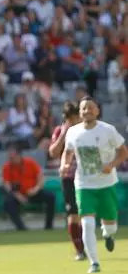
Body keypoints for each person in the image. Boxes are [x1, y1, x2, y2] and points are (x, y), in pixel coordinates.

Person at [61, 96, 128, 273]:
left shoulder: (108, 130)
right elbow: (67, 152)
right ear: (80, 112)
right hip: (84, 185)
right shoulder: (73, 132)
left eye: (90, 108)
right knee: (88, 224)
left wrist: (111, 165)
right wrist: (64, 164)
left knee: (111, 225)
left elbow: (123, 152)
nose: (87, 111)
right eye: (83, 108)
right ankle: (94, 262)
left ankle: (108, 234)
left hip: (106, 184)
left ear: (97, 110)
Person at [48, 101, 85, 261]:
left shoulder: (85, 130)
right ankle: (79, 250)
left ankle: (86, 246)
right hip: (69, 177)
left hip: (86, 177)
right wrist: (64, 133)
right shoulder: (60, 131)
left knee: (86, 214)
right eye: (74, 117)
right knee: (73, 214)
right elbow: (53, 152)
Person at [1, 145, 56, 231]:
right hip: (18, 195)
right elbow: (6, 185)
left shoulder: (30, 163)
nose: (11, 159)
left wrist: (36, 189)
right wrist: (17, 195)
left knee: (50, 196)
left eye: (13, 156)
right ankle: (21, 227)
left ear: (19, 155)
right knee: (8, 202)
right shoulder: (6, 167)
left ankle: (48, 226)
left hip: (32, 192)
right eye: (9, 157)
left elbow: (41, 178)